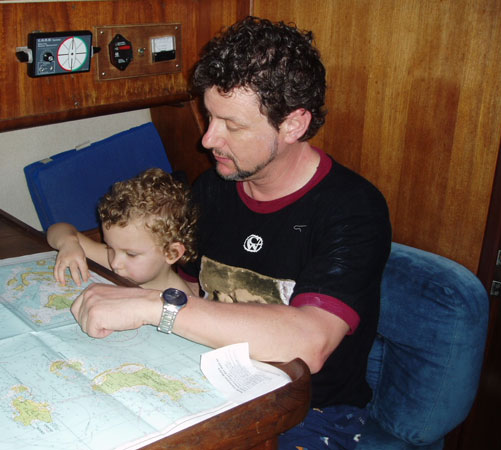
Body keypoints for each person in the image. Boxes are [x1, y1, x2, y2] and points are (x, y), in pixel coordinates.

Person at [68, 16, 392, 449]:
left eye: (232, 126)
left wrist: (154, 308)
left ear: (293, 125)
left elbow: (310, 342)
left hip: (310, 414)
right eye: (209, 116)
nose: (208, 139)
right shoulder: (213, 188)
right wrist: (86, 250)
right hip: (214, 384)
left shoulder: (353, 208)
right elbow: (191, 286)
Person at [47, 167, 198, 294]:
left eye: (131, 254)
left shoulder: (182, 304)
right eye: (109, 248)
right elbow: (57, 229)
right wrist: (68, 243)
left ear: (172, 253)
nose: (115, 263)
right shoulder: (119, 262)